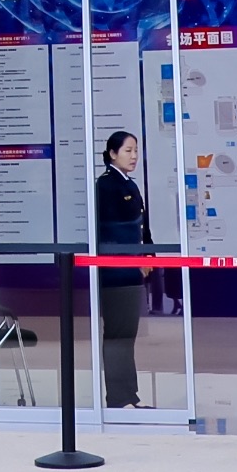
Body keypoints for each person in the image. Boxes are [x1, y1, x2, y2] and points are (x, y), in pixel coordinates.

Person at [94, 130, 148, 407]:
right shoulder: (105, 186)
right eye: (128, 150)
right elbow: (109, 232)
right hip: (115, 272)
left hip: (132, 271)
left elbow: (141, 226)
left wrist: (147, 255)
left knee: (127, 336)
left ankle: (129, 395)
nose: (134, 156)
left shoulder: (130, 185)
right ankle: (118, 397)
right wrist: (133, 257)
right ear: (113, 154)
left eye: (136, 150)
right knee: (117, 335)